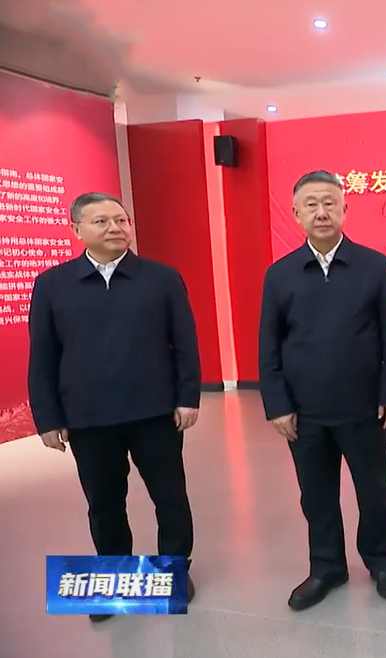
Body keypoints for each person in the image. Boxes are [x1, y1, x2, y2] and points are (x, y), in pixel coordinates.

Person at [27, 192, 201, 623]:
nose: (115, 228)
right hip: (88, 417)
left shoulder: (161, 278)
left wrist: (187, 397)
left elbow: (185, 343)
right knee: (104, 503)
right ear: (77, 230)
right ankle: (113, 575)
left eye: (121, 220)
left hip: (155, 412)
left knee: (170, 497)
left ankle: (174, 569)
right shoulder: (52, 285)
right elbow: (43, 357)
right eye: (102, 221)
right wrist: (48, 418)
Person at [258, 170, 386, 611]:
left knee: (375, 490)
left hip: (363, 406)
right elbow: (268, 345)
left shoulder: (373, 266)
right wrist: (277, 404)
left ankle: (383, 562)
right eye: (311, 205)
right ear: (296, 213)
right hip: (304, 411)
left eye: (329, 203)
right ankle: (326, 567)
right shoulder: (280, 275)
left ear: (345, 208)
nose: (321, 212)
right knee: (316, 494)